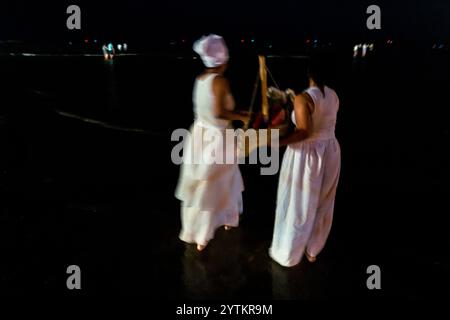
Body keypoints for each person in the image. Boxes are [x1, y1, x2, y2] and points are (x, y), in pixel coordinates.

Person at [175, 34, 250, 251]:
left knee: (206, 182)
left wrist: (237, 113)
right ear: (222, 59)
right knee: (215, 183)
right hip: (217, 139)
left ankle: (217, 222)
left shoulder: (200, 79)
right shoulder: (220, 80)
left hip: (200, 134)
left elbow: (211, 110)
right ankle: (203, 234)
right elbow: (219, 112)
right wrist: (242, 117)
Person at [269, 57, 341, 267]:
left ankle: (289, 253)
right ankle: (313, 250)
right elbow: (323, 121)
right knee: (323, 201)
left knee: (299, 203)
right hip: (331, 151)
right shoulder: (334, 95)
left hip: (307, 156)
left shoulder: (304, 99)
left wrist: (279, 142)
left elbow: (303, 132)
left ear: (309, 74)